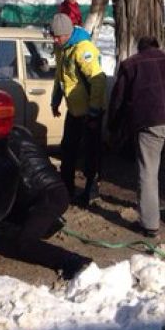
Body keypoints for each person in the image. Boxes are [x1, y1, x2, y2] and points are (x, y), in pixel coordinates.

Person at [108, 36, 165, 237]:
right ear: (159, 46)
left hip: (150, 121)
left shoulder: (131, 65)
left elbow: (118, 99)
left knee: (148, 172)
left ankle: (149, 224)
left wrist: (113, 126)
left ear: (140, 48)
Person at [0, 126, 90, 277]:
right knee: (12, 226)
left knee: (25, 243)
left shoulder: (0, 148)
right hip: (53, 193)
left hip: (48, 198)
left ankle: (74, 262)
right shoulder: (20, 132)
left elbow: (8, 187)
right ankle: (44, 224)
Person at [50, 13, 106, 207]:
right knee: (68, 149)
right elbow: (60, 76)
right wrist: (55, 100)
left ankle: (92, 190)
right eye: (53, 36)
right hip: (74, 109)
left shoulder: (83, 49)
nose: (55, 40)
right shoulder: (62, 48)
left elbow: (98, 80)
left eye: (58, 36)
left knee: (91, 152)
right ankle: (67, 189)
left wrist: (94, 109)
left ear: (68, 33)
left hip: (90, 111)